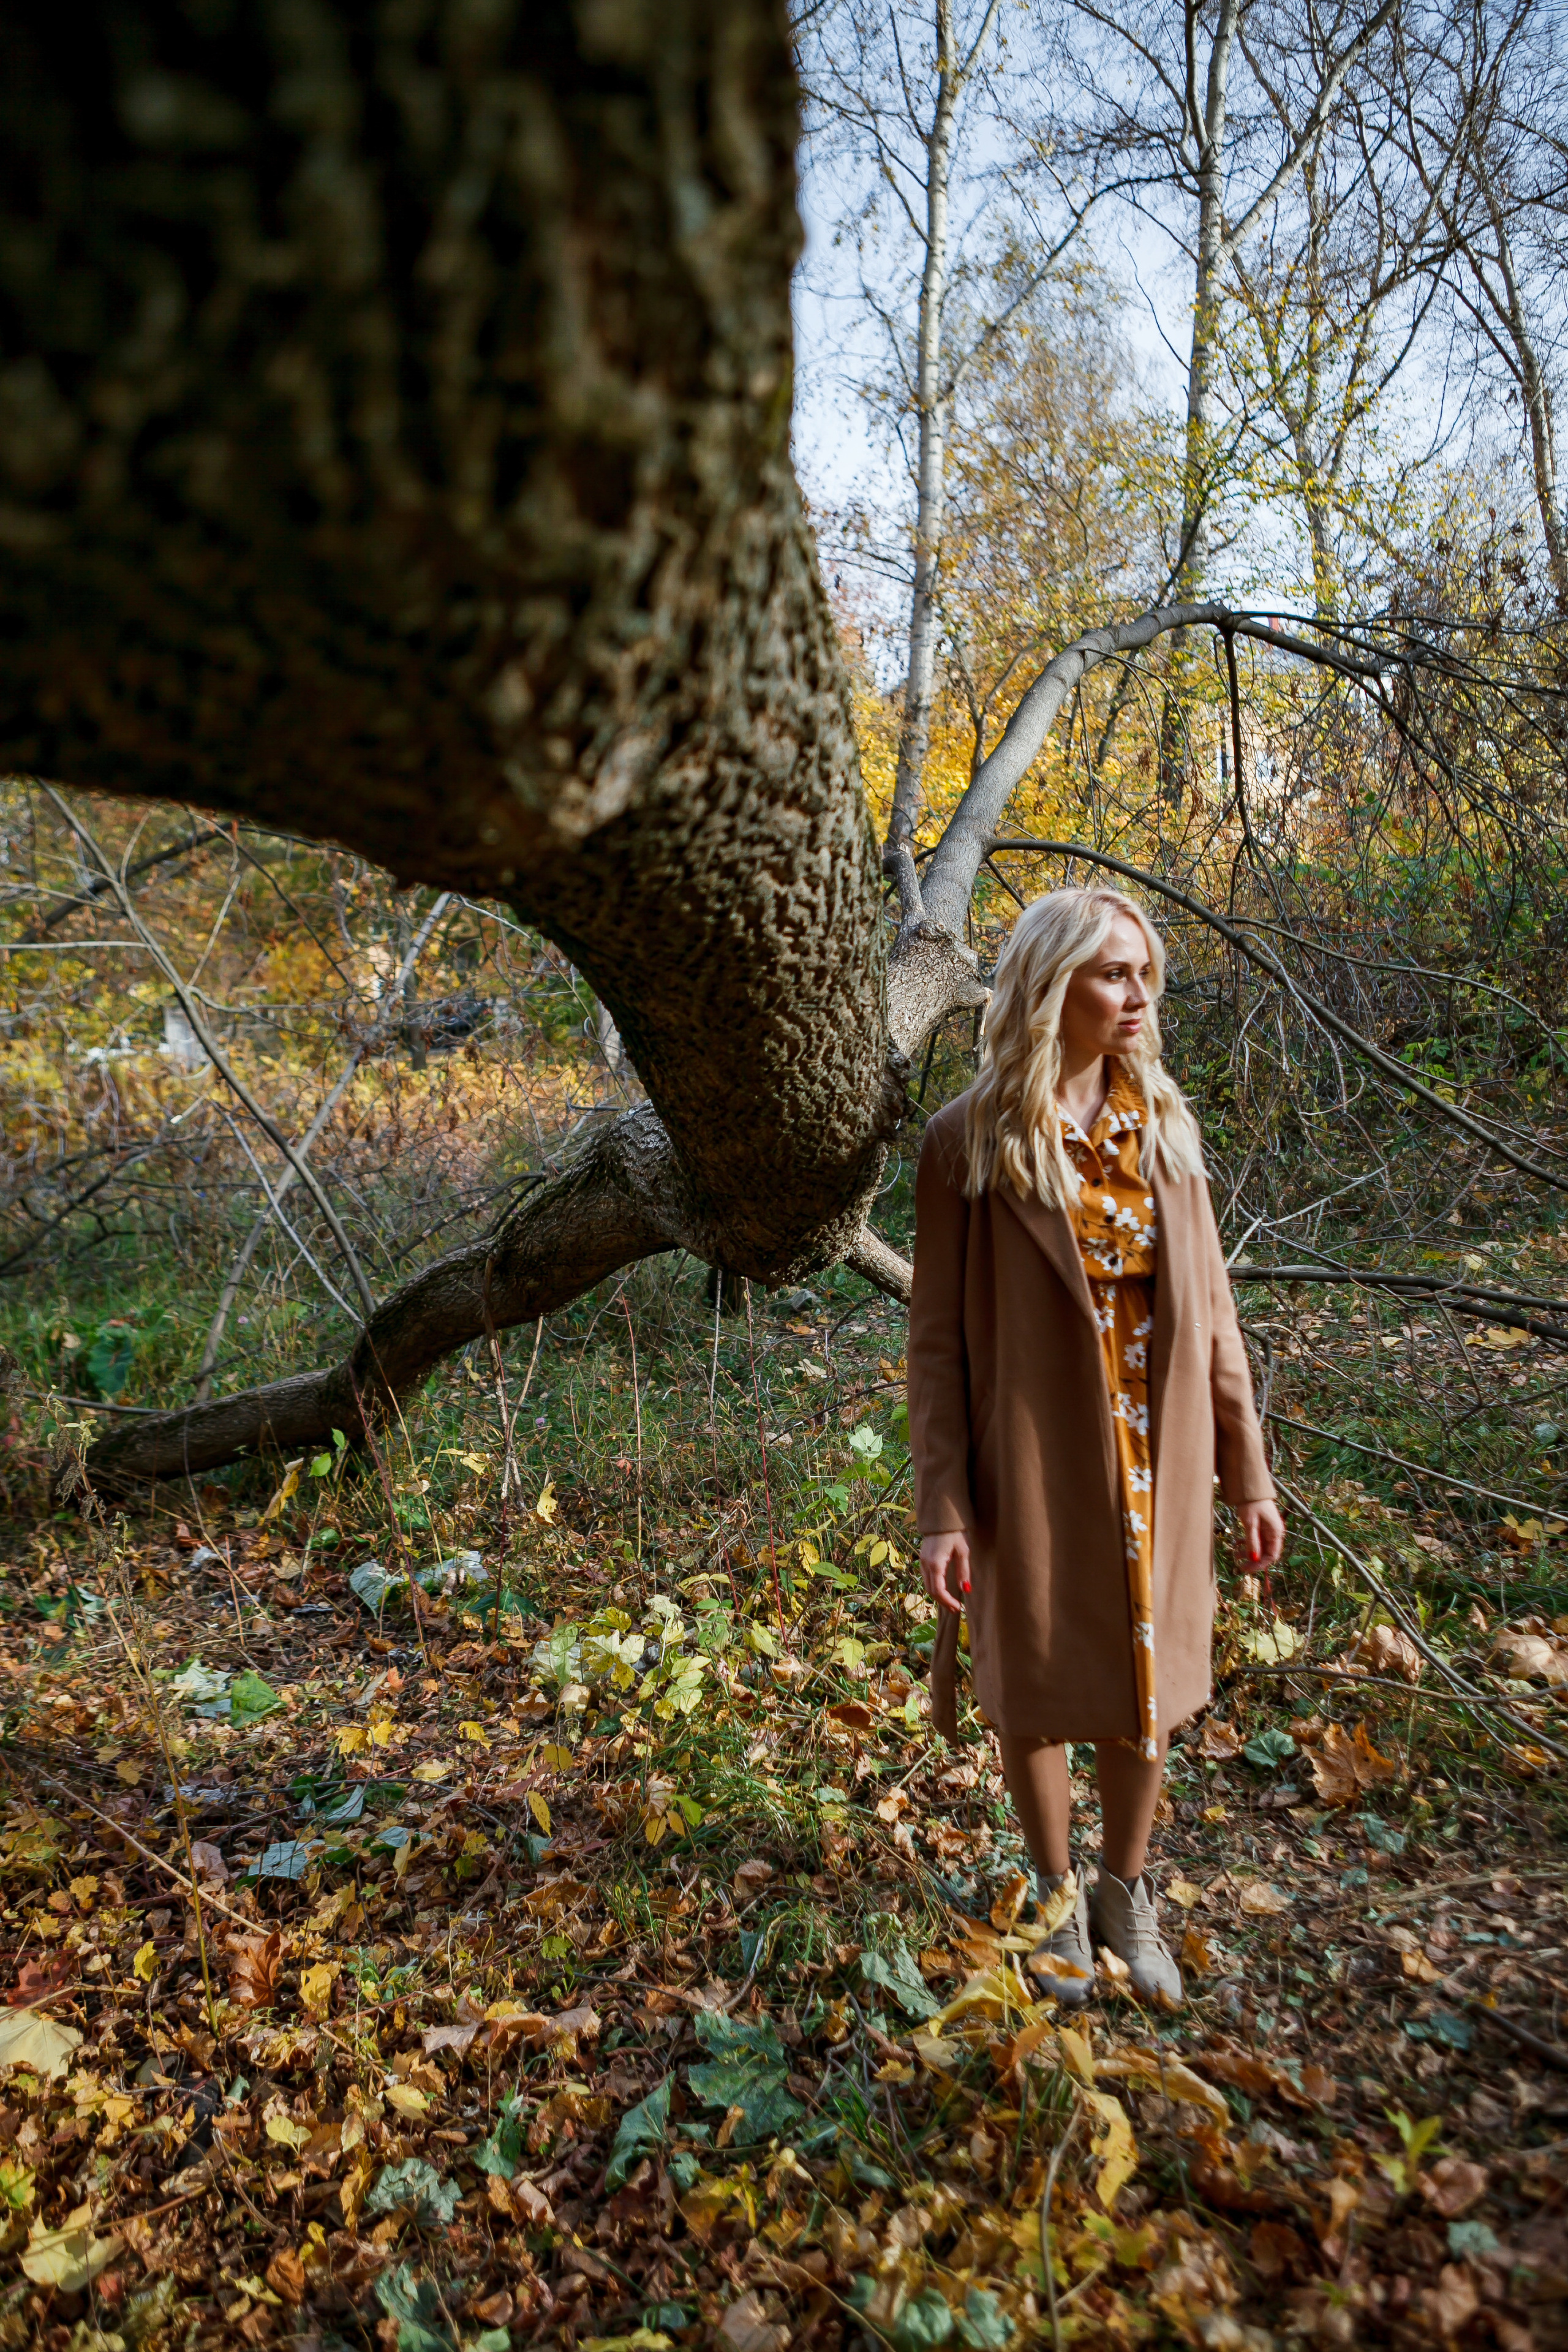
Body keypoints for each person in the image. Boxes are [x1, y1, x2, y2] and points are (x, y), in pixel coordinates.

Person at [907, 886, 1284, 2007]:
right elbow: (936, 1342)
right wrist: (940, 1504)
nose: (1137, 994)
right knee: (1027, 1677)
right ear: (1050, 984)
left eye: (1143, 974)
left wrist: (1246, 1470)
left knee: (1148, 1679)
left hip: (1156, 1457)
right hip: (1026, 1455)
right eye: (1113, 973)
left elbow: (1213, 1317)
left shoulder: (1167, 1130)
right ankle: (1057, 1896)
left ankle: (1126, 1891)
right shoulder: (967, 1140)